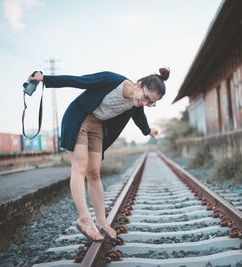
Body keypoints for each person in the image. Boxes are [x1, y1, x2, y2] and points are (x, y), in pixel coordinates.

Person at [27, 68, 169, 242]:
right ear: (139, 85)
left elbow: (140, 118)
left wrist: (149, 131)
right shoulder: (111, 80)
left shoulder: (135, 102)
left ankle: (101, 222)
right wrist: (45, 79)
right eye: (146, 97)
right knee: (80, 167)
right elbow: (78, 81)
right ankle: (84, 219)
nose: (145, 103)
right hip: (79, 118)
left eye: (151, 103)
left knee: (94, 172)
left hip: (97, 127)